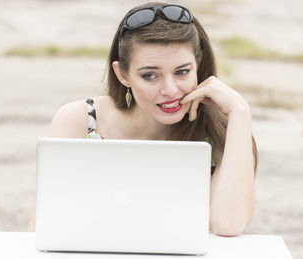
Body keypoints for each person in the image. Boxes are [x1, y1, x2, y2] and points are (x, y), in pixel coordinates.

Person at [29, 2, 258, 236]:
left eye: (182, 72)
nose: (170, 90)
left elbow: (229, 224)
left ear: (198, 66)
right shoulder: (79, 120)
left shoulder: (220, 131)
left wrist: (240, 111)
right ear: (123, 74)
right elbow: (40, 229)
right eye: (150, 75)